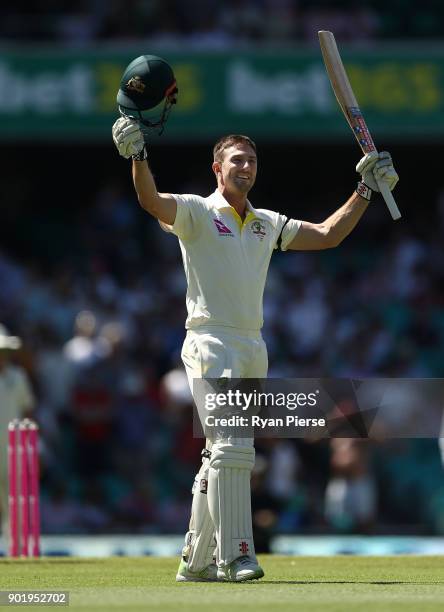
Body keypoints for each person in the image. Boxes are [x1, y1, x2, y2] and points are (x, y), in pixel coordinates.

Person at [112, 116, 398, 581]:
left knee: (220, 453)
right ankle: (237, 554)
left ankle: (195, 559)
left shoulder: (266, 223)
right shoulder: (197, 212)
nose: (246, 167)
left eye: (252, 161)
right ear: (217, 169)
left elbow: (328, 234)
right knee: (233, 448)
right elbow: (151, 201)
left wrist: (364, 190)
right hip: (209, 340)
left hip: (251, 344)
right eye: (237, 160)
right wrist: (138, 157)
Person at [0, 325, 35, 553]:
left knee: (14, 504)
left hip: (12, 450)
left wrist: (35, 449)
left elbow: (28, 413)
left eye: (5, 351)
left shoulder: (18, 376)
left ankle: (17, 550)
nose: (3, 356)